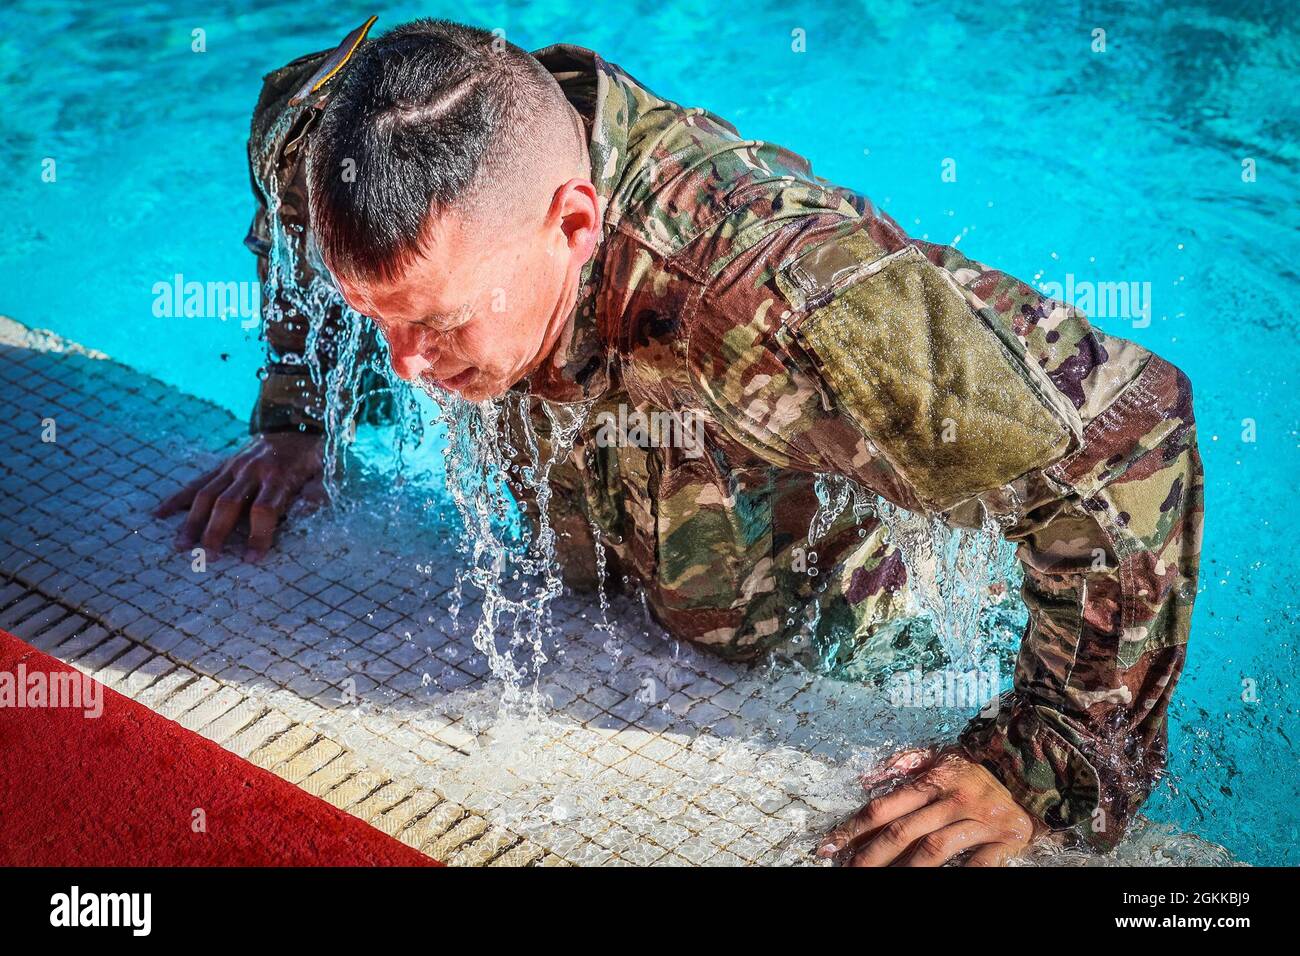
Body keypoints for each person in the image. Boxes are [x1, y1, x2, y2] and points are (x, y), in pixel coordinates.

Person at [157, 18, 1203, 866]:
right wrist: (299, 413)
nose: (405, 363)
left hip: (832, 623)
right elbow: (292, 211)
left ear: (572, 225)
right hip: (614, 529)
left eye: (440, 322)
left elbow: (1128, 428)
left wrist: (1045, 757)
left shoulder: (776, 298)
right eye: (378, 316)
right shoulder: (329, 140)